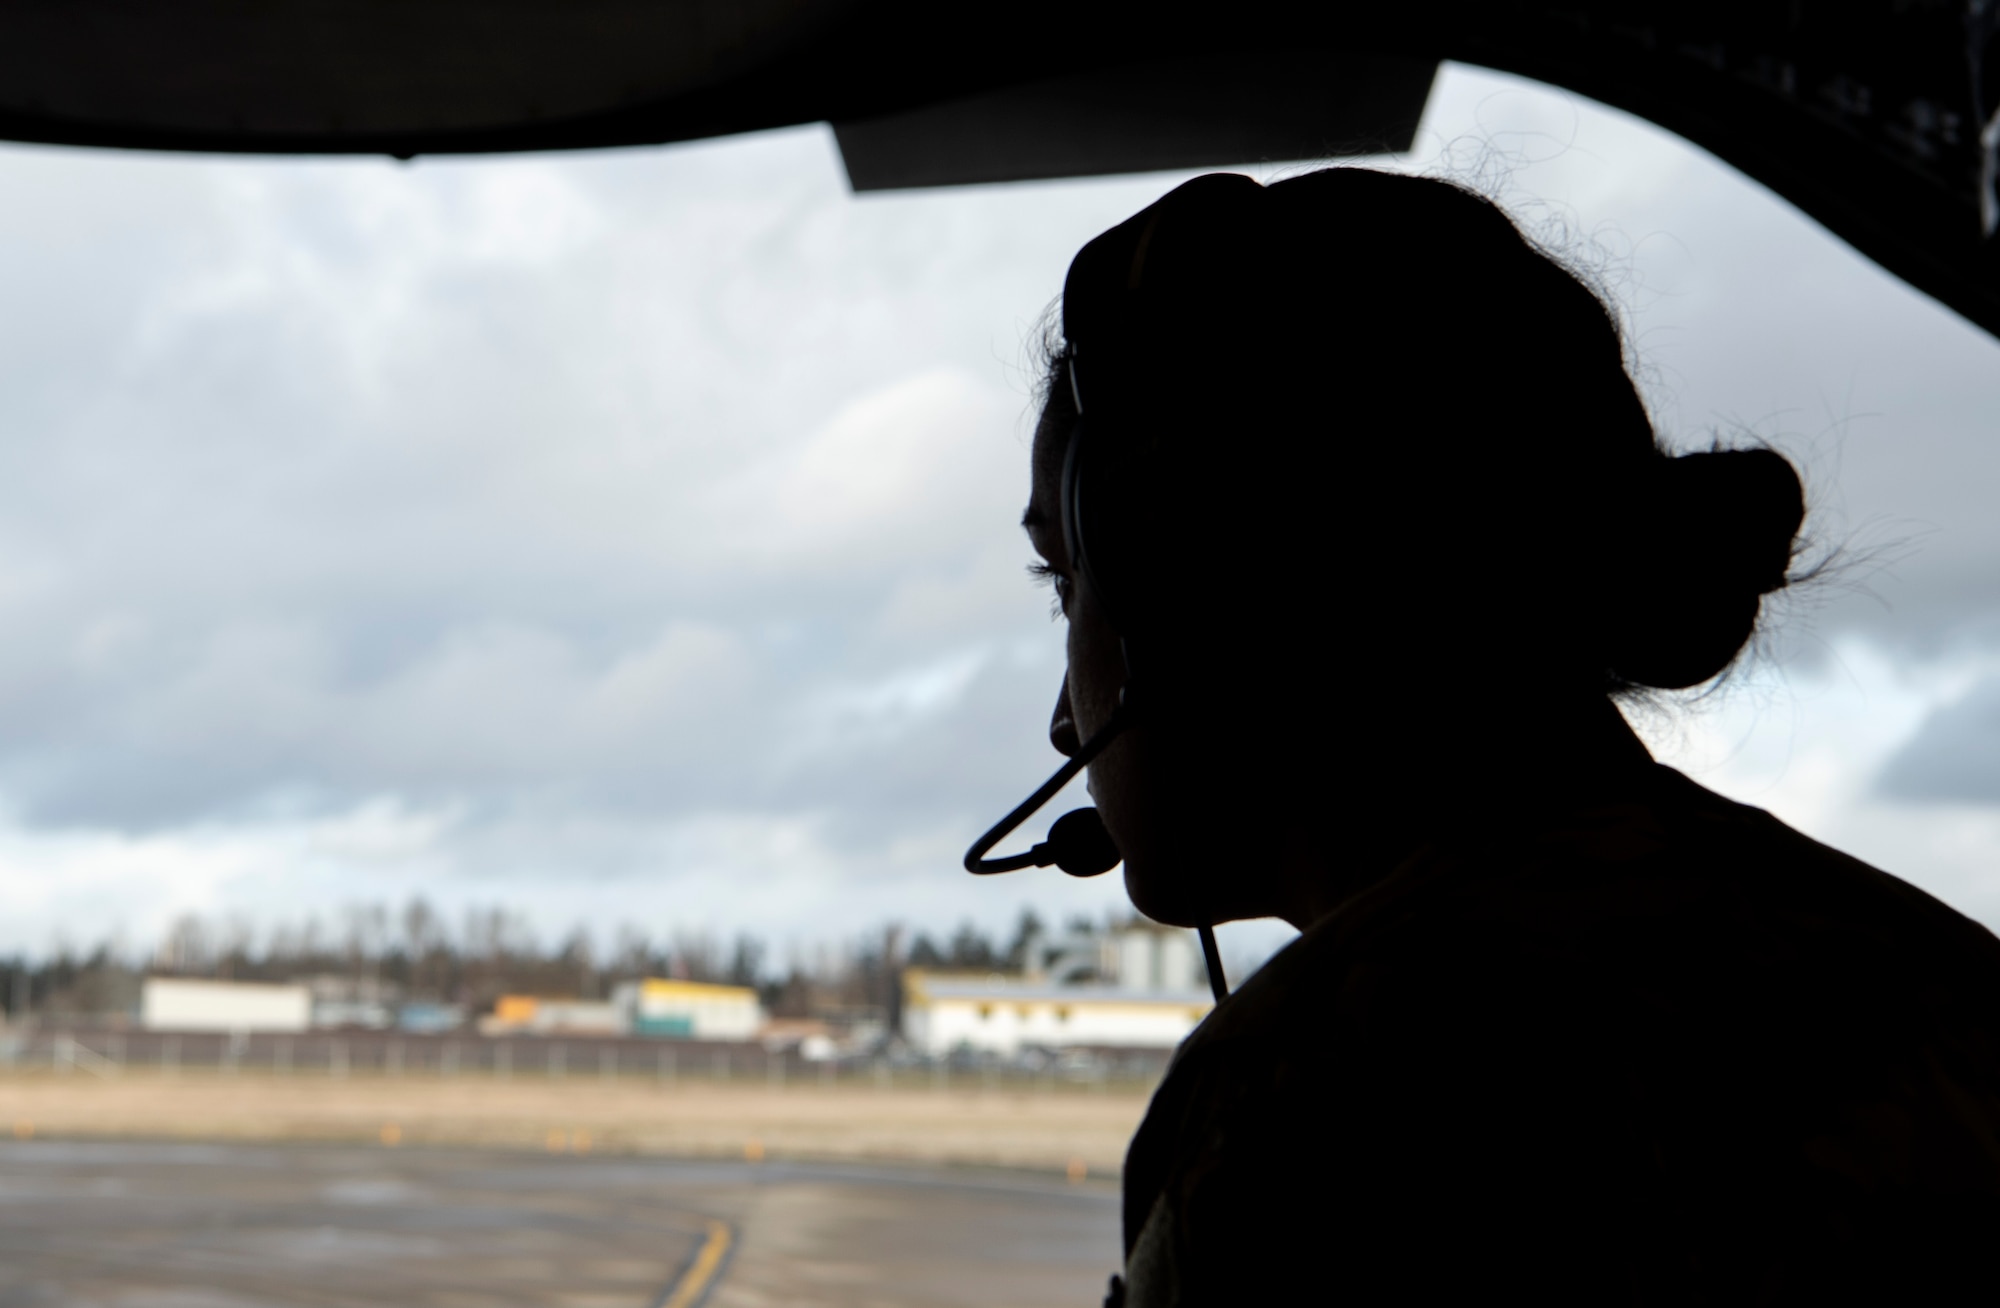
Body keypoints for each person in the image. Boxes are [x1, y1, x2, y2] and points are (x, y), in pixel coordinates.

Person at [1005, 169, 2000, 1303]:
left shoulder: (1329, 1089)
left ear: (1192, 579)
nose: (1058, 720)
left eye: (1066, 579)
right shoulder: (1937, 981)